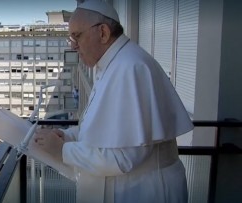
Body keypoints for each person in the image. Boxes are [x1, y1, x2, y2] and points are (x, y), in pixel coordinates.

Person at [33, 1, 193, 203]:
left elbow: (123, 158)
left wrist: (62, 150)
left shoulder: (130, 67)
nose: (73, 46)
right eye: (71, 38)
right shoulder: (111, 65)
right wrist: (66, 136)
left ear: (103, 33)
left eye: (77, 36)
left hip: (144, 192)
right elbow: (103, 130)